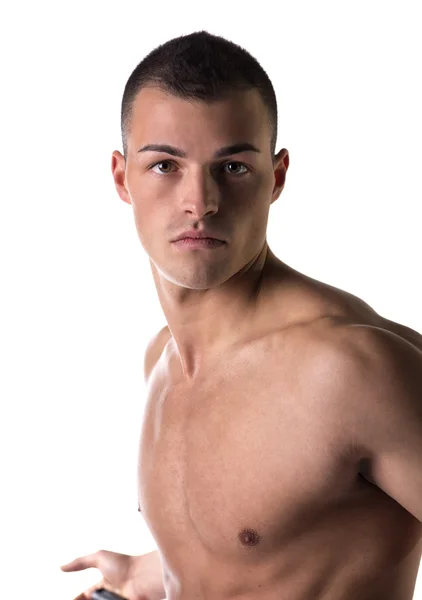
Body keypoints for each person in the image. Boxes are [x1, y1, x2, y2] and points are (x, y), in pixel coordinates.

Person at [61, 30, 422, 600]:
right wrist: (138, 578)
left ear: (275, 177)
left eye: (231, 168)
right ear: (120, 177)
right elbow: (261, 549)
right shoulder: (162, 358)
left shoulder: (351, 370)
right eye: (164, 166)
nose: (199, 201)